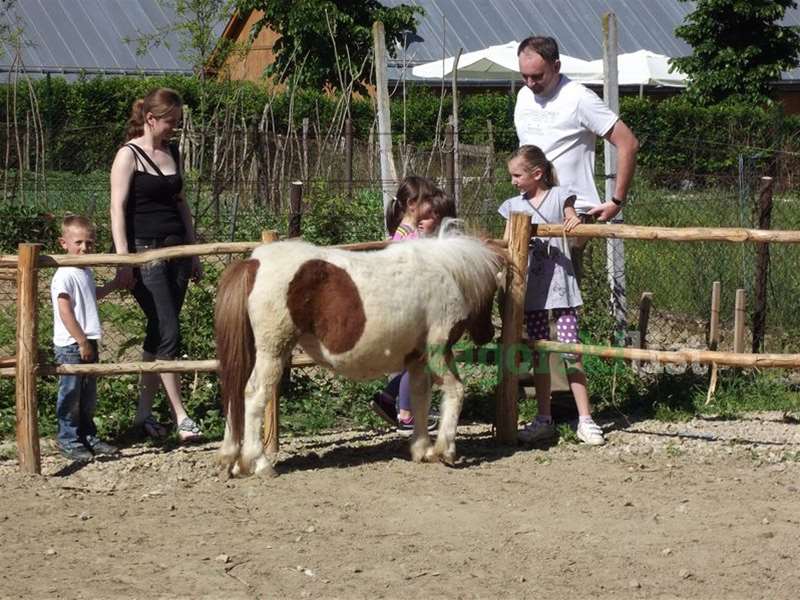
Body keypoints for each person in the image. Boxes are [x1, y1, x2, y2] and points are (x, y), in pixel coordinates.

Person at [109, 87, 203, 443]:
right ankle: (182, 416)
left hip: (176, 250)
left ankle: (143, 414)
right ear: (150, 119)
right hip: (145, 252)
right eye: (170, 122)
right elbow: (117, 209)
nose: (174, 129)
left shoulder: (172, 152)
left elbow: (181, 205)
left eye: (176, 122)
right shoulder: (128, 156)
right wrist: (125, 260)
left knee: (157, 331)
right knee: (169, 330)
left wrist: (193, 252)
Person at [499, 145, 605, 446]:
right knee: (540, 356)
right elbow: (507, 241)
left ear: (537, 173)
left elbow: (575, 225)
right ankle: (543, 418)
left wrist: (574, 223)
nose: (513, 181)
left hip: (562, 290)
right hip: (531, 292)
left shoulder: (561, 197)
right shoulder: (512, 206)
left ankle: (585, 419)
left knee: (571, 351)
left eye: (517, 175)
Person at [514, 36, 639, 225]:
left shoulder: (580, 98)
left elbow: (628, 143)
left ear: (556, 66)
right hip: (530, 209)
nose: (530, 83)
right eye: (525, 76)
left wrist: (617, 201)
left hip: (573, 214)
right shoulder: (524, 96)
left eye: (538, 76)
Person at [370, 177, 455, 435]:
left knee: (415, 358)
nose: (430, 208)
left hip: (410, 303)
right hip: (409, 304)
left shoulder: (408, 232)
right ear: (413, 205)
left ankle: (389, 397)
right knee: (419, 357)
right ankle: (406, 413)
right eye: (427, 203)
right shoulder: (406, 235)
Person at [51, 215, 122, 461]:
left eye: (89, 243)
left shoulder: (86, 271)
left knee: (88, 395)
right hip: (72, 344)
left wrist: (114, 285)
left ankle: (87, 435)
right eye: (79, 242)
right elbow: (65, 310)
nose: (84, 248)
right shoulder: (64, 274)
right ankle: (68, 439)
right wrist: (80, 340)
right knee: (70, 394)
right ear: (64, 243)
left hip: (88, 340)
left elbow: (91, 296)